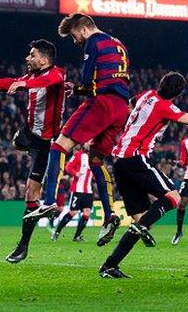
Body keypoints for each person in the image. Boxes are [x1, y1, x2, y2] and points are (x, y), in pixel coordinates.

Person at [97, 72, 188, 278]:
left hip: (119, 161)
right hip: (135, 157)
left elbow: (129, 106)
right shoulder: (164, 106)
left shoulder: (146, 95)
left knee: (142, 219)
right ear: (177, 94)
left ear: (160, 83)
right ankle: (134, 228)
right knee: (173, 197)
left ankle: (109, 265)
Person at [24, 13, 129, 247]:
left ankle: (49, 201)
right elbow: (112, 77)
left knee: (58, 146)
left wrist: (79, 88)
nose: (75, 41)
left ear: (82, 30)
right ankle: (110, 214)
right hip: (121, 107)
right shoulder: (118, 44)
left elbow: (89, 78)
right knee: (96, 160)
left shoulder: (93, 41)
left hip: (102, 103)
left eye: (74, 36)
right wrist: (81, 89)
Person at [0, 39, 66, 263]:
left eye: (32, 55)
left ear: (43, 59)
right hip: (29, 134)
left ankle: (22, 247)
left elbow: (49, 81)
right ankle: (22, 146)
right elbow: (8, 82)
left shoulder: (58, 76)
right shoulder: (29, 77)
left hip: (46, 142)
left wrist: (24, 86)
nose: (27, 58)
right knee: (15, 143)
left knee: (30, 195)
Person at [51, 146, 94, 242]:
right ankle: (57, 232)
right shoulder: (79, 155)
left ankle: (77, 236)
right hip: (77, 189)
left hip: (88, 190)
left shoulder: (93, 158)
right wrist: (76, 173)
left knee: (87, 213)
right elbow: (68, 166)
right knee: (73, 212)